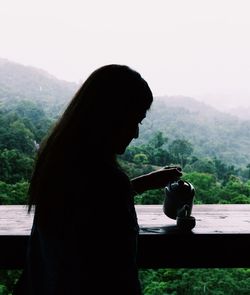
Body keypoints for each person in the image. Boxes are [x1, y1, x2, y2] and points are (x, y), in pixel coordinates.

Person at [13, 64, 182, 295]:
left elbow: (86, 205)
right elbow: (117, 274)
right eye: (135, 119)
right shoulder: (108, 181)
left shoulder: (57, 159)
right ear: (111, 117)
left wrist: (139, 184)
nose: (135, 132)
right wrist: (125, 187)